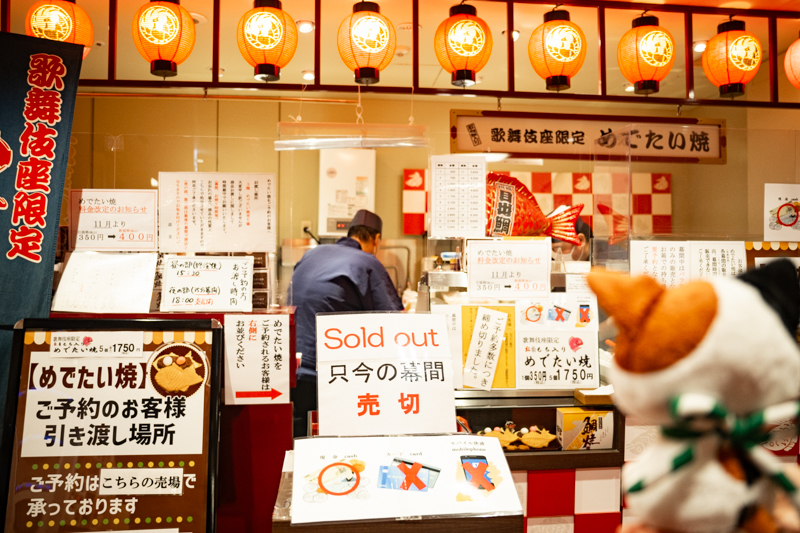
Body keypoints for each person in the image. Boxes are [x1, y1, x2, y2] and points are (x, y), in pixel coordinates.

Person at [290, 209, 403, 438]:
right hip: (329, 376)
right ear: (376, 239)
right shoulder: (367, 261)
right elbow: (394, 320)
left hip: (292, 366)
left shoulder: (314, 253)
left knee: (300, 439)